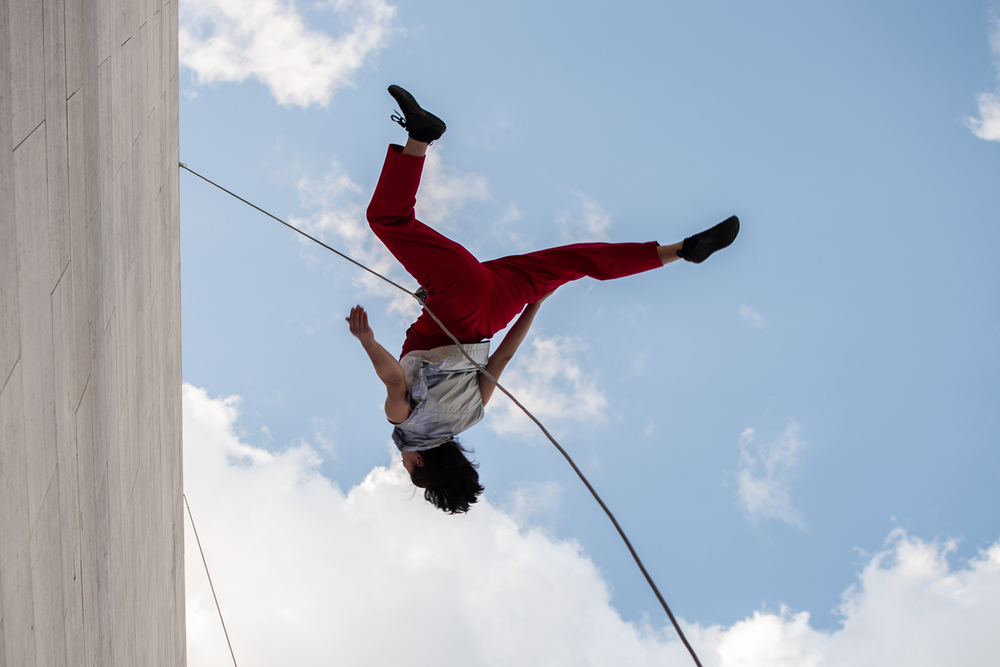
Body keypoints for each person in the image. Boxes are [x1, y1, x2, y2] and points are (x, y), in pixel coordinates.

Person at [347, 85, 739, 515]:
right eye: (407, 469)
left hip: (495, 312)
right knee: (387, 219)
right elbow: (394, 383)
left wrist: (535, 302)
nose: (401, 461)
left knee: (574, 261)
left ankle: (678, 251)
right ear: (420, 460)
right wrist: (367, 341)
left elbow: (501, 360)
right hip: (459, 304)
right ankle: (420, 137)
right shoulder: (407, 429)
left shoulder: (471, 416)